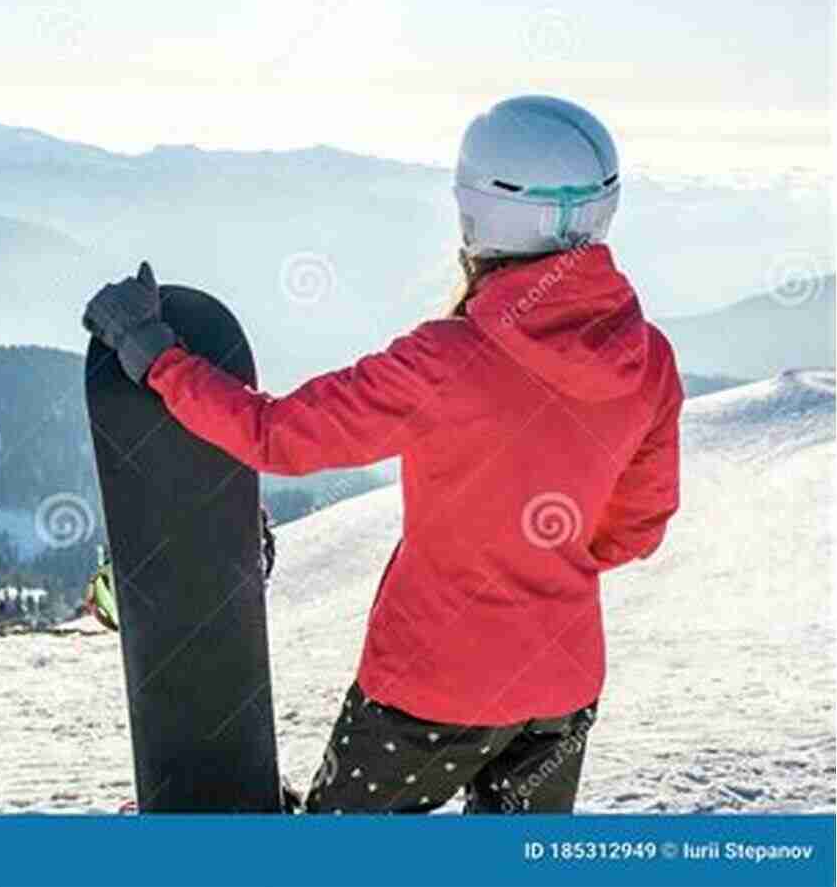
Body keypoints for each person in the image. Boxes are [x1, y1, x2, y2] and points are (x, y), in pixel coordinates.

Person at [82, 95, 683, 814]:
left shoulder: (447, 360)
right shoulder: (646, 359)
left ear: (477, 213)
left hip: (428, 689)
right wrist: (535, 559)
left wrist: (158, 358)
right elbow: (635, 530)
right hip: (562, 686)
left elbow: (274, 434)